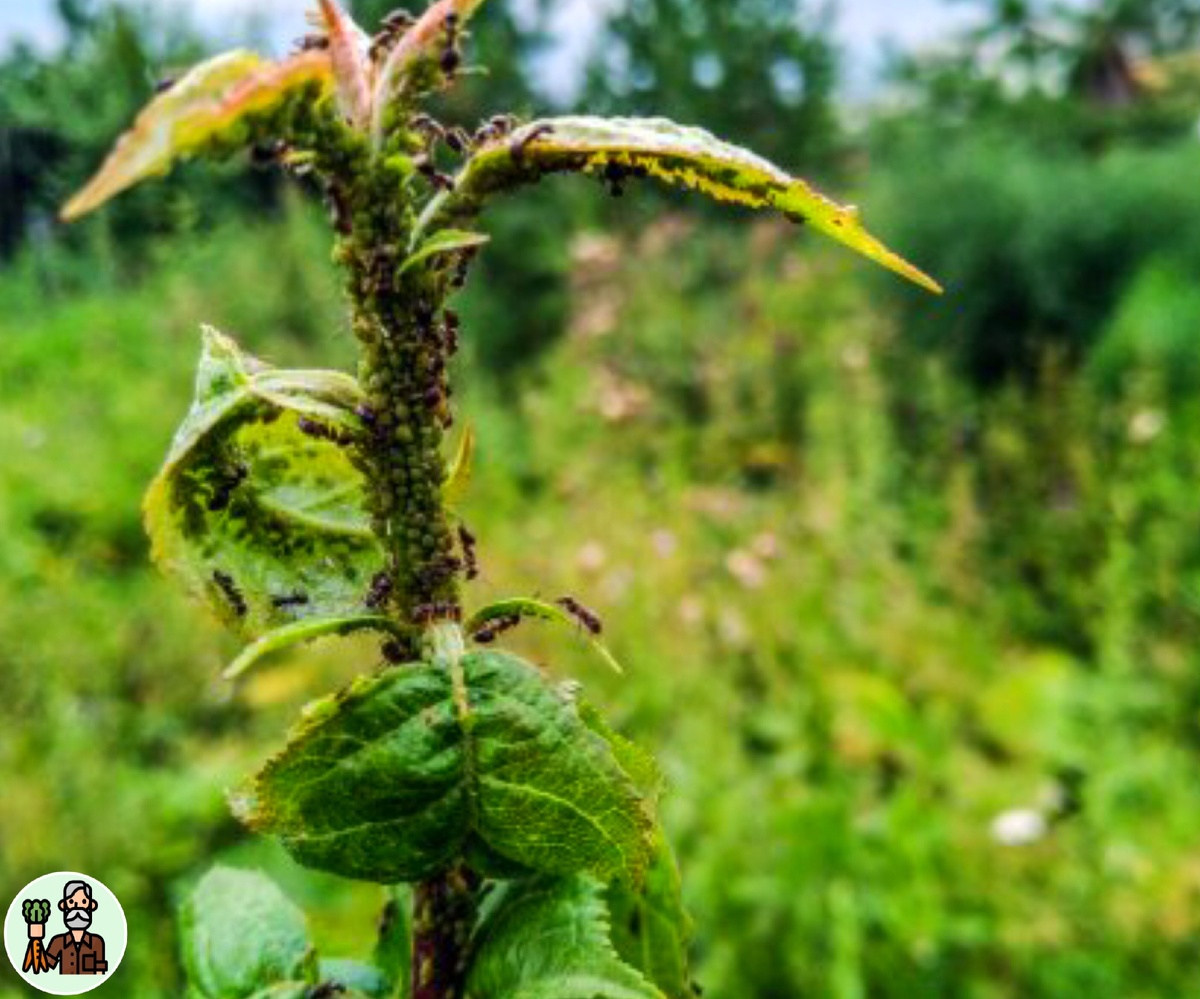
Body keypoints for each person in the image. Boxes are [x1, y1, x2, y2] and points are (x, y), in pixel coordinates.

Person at [43, 880, 107, 975]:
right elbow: (44, 966)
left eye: (84, 902)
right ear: (64, 906)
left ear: (91, 905)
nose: (77, 908)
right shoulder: (58, 941)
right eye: (72, 902)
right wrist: (36, 939)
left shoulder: (97, 942)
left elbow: (99, 972)